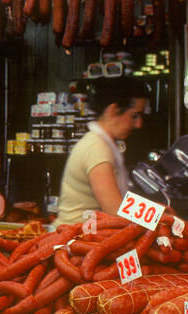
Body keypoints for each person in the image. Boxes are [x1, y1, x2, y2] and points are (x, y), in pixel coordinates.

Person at [56, 79, 149, 225]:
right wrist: (158, 217)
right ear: (113, 110)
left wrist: (156, 211)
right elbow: (116, 210)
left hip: (88, 237)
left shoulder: (104, 143)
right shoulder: (96, 148)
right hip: (75, 241)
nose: (138, 124)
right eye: (134, 116)